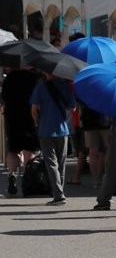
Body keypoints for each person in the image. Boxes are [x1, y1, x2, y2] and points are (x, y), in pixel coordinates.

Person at [30, 71, 75, 206]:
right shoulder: (66, 86)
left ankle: (58, 195)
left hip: (45, 129)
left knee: (51, 162)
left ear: (45, 72)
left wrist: (37, 122)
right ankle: (59, 192)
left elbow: (34, 109)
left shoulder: (40, 87)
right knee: (61, 163)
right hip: (62, 129)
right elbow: (72, 108)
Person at [2, 67, 41, 189]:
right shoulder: (34, 79)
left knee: (13, 150)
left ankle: (12, 174)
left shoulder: (9, 78)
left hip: (12, 117)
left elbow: (3, 98)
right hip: (29, 117)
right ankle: (26, 175)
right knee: (29, 149)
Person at [79, 101, 109, 189]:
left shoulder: (87, 89)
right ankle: (104, 178)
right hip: (105, 122)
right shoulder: (107, 89)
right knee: (106, 151)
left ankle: (97, 180)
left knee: (93, 152)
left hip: (89, 122)